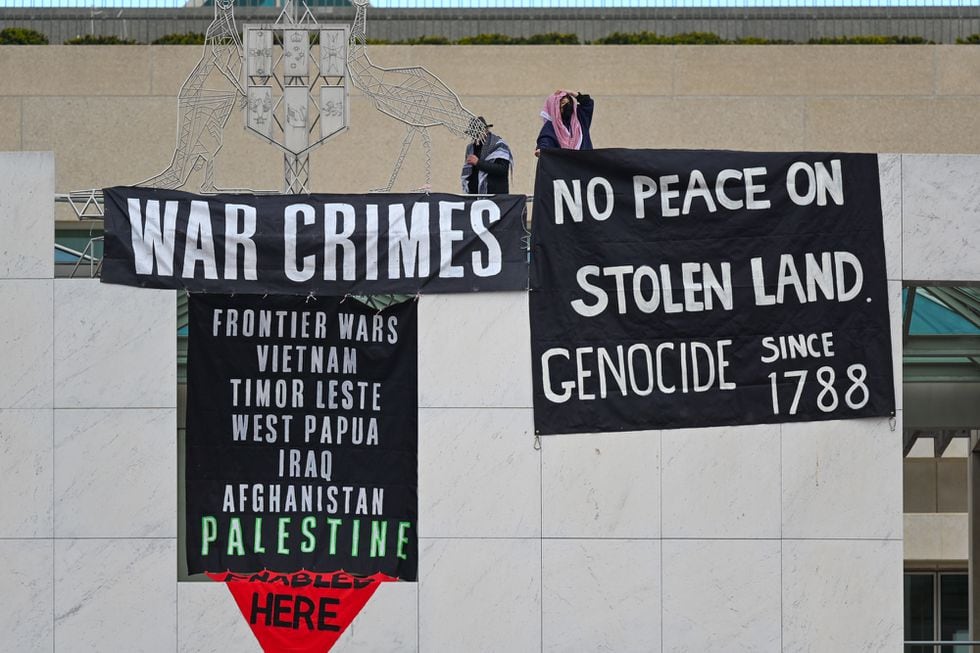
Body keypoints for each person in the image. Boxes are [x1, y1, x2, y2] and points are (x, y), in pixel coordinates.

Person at [461, 116, 513, 194]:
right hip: (474, 196)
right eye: (473, 133)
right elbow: (468, 171)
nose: (475, 135)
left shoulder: (498, 144)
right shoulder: (471, 148)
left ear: (486, 130)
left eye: (478, 132)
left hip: (495, 197)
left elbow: (502, 169)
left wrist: (478, 163)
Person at [535, 90, 594, 157]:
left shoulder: (580, 118)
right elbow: (546, 141)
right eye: (563, 103)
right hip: (565, 165)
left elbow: (587, 103)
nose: (567, 106)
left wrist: (572, 93)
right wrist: (542, 151)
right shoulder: (551, 126)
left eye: (569, 103)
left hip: (584, 164)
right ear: (554, 108)